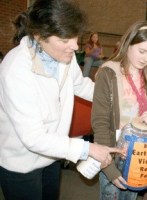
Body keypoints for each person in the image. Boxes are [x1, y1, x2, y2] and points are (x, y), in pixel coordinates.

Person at [0, 1, 123, 200]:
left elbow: (81, 85)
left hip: (52, 155)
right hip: (21, 164)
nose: (74, 46)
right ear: (39, 36)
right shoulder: (16, 69)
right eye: (65, 39)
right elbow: (34, 138)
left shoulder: (64, 56)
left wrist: (118, 100)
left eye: (75, 37)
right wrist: (87, 149)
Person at [92, 20, 147, 200]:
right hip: (113, 157)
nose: (146, 58)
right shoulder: (108, 73)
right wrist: (108, 167)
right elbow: (100, 122)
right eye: (142, 51)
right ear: (128, 42)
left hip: (141, 158)